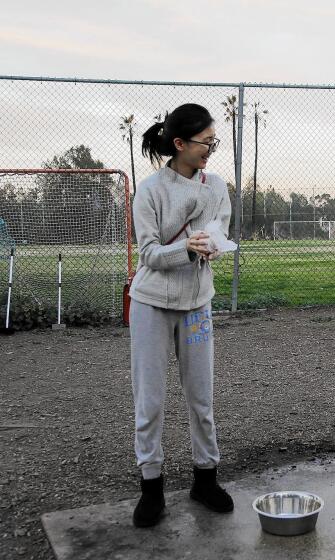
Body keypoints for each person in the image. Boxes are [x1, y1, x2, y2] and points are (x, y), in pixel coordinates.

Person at [129, 103, 233, 528]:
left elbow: (222, 230)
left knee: (201, 398)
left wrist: (215, 244)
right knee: (150, 401)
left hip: (197, 306)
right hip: (152, 305)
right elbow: (150, 254)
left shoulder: (217, 186)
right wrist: (185, 249)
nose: (210, 149)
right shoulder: (151, 190)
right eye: (205, 142)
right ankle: (151, 485)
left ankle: (204, 478)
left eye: (213, 142)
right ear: (179, 144)